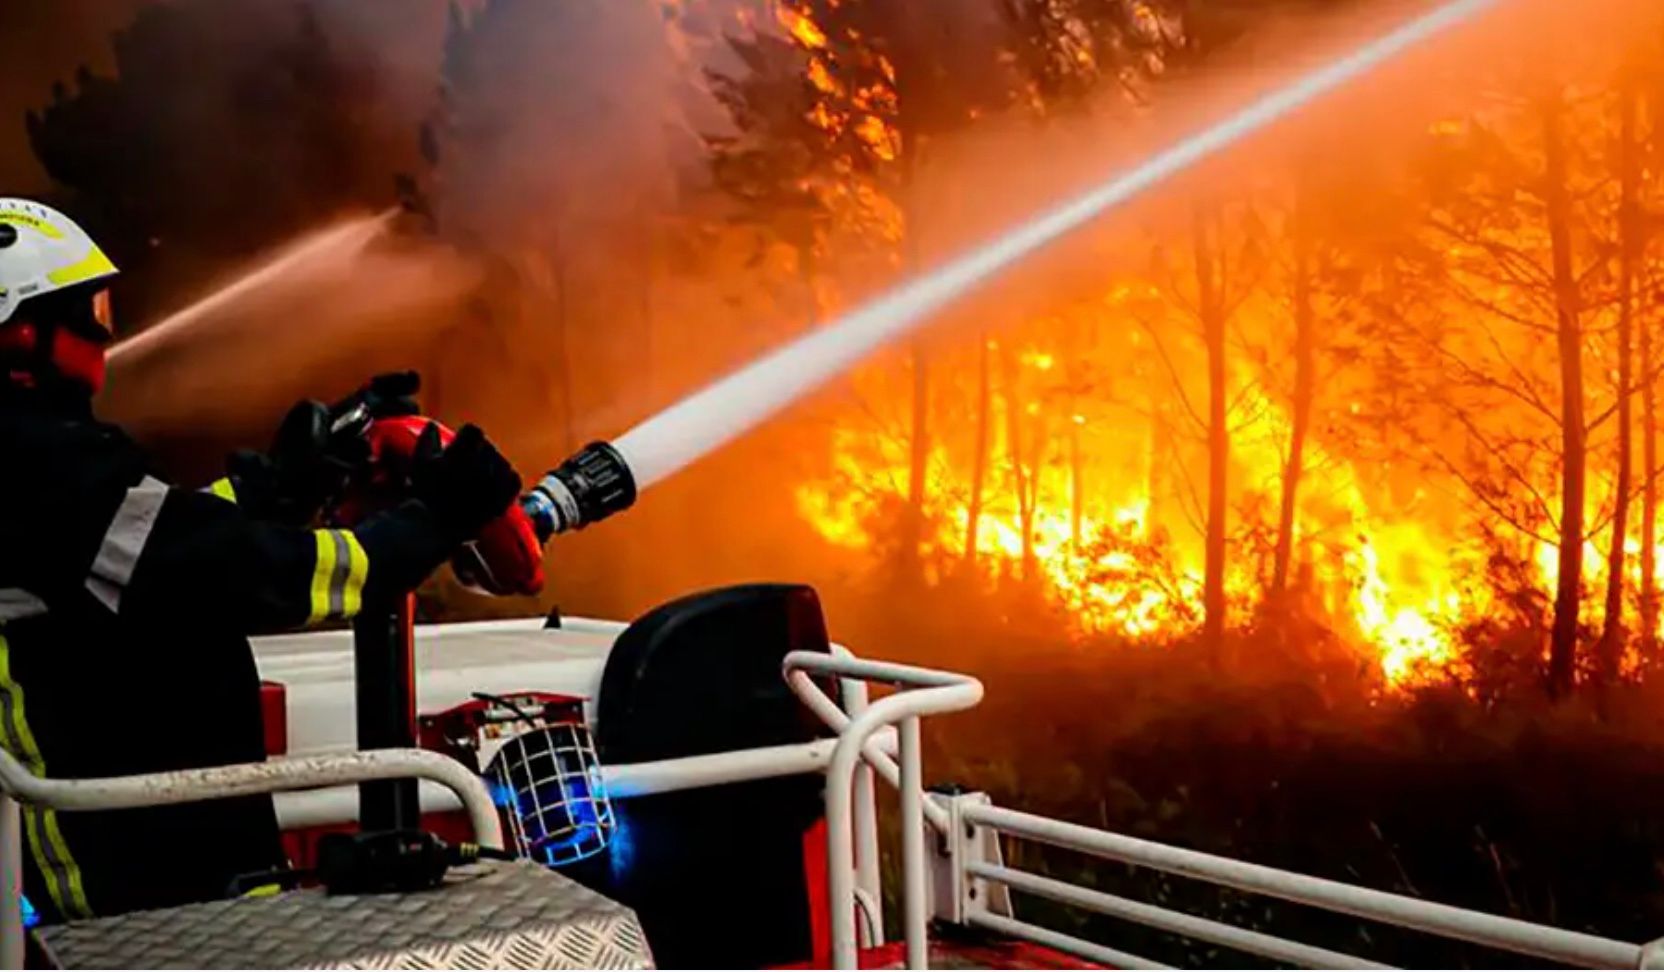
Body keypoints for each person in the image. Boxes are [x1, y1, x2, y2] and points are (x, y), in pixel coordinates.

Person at [0, 197, 524, 920]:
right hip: (132, 878)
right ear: (22, 336)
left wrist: (278, 486)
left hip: (163, 839)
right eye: (86, 311)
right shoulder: (37, 462)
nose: (102, 332)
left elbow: (151, 549)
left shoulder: (43, 463)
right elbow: (249, 577)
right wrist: (432, 523)